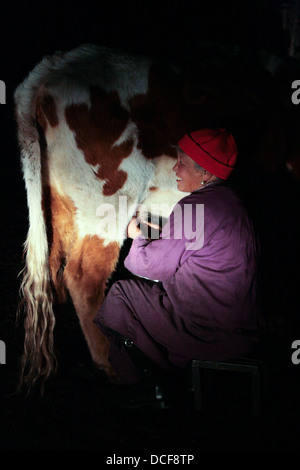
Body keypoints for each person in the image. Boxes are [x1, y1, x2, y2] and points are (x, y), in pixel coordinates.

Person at [93, 128, 260, 394]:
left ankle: (148, 383)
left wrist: (136, 236)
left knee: (121, 295)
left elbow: (148, 266)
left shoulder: (194, 207)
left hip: (205, 330)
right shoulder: (233, 201)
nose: (175, 170)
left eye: (182, 163)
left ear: (206, 173)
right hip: (240, 328)